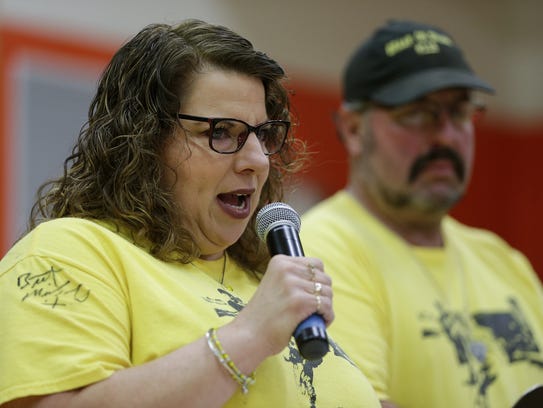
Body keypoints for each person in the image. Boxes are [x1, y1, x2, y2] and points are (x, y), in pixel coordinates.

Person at [0, 19, 381, 408]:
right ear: (144, 141)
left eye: (263, 134)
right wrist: (248, 337)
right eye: (220, 132)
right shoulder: (72, 253)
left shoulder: (270, 280)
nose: (256, 160)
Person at [300, 19, 543, 408]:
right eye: (419, 113)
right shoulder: (318, 253)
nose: (447, 135)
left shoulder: (503, 261)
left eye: (460, 112)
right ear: (353, 129)